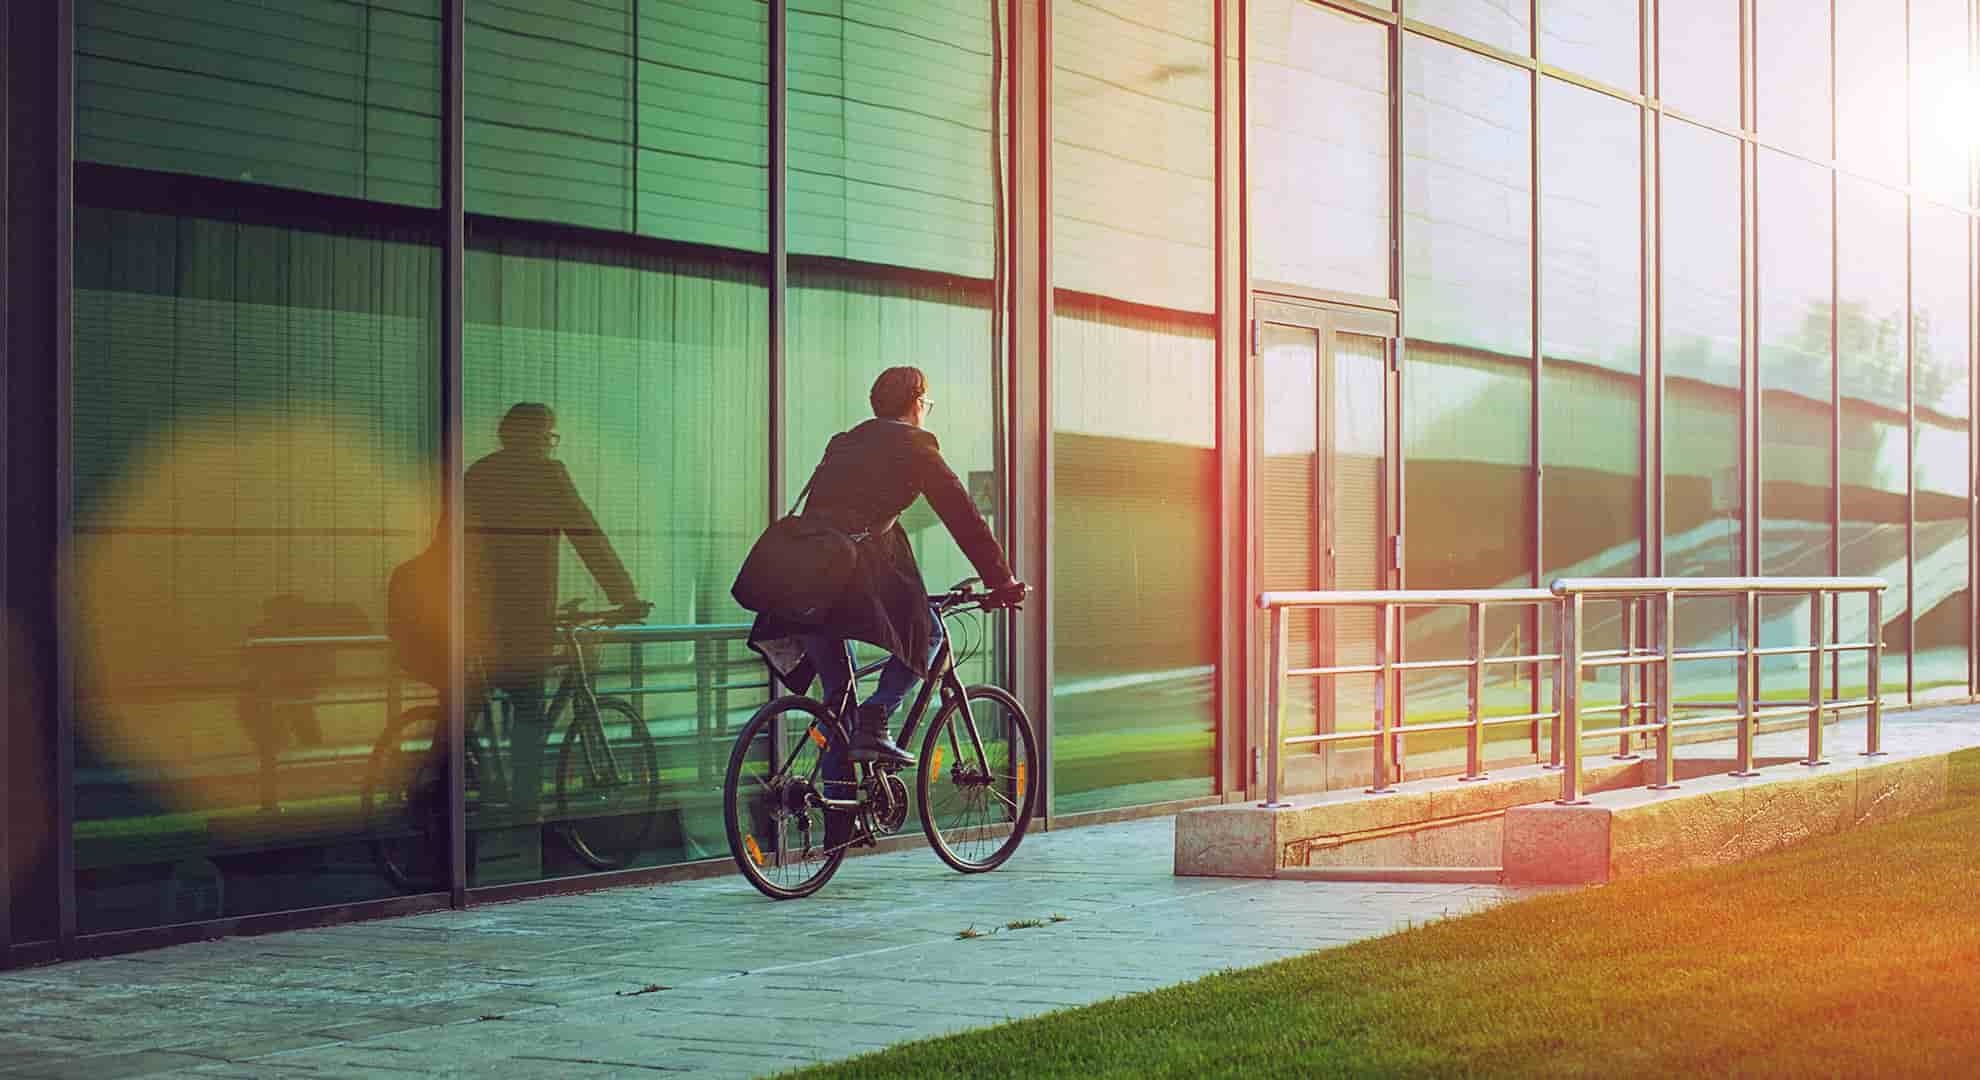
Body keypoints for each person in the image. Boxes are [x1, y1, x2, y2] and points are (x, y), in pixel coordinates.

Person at [749, 367, 1026, 770]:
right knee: (928, 633)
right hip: (854, 574)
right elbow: (962, 514)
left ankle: (841, 826)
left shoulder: (843, 443)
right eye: (926, 404)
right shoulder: (915, 445)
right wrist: (1001, 579)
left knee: (837, 702)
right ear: (916, 405)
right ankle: (877, 717)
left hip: (806, 583)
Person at [466, 403, 646, 821]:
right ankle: (524, 808)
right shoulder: (545, 474)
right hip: (523, 615)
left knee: (468, 699)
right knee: (528, 705)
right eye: (549, 435)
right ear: (536, 436)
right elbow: (586, 535)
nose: (550, 444)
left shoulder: (477, 474)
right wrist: (625, 595)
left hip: (472, 611)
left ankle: (443, 774)